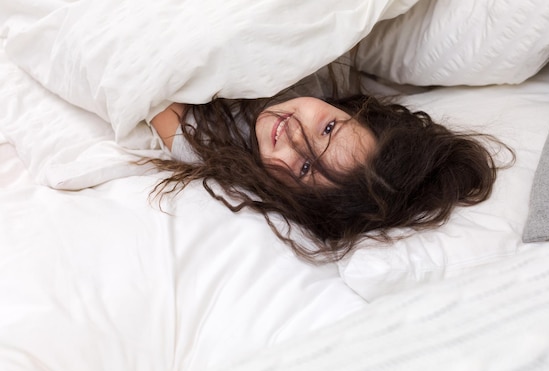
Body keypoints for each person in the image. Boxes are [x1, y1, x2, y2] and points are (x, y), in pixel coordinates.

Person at [149, 66, 512, 262]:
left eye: (304, 168)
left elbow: (154, 90)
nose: (293, 133)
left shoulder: (210, 147)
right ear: (351, 111)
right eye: (327, 127)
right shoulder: (320, 73)